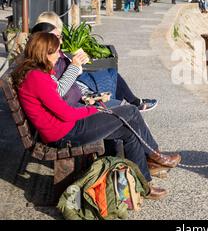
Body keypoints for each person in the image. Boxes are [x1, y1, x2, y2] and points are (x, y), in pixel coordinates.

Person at [11, 33, 181, 200]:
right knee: (131, 111)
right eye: (55, 51)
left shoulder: (35, 72)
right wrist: (95, 109)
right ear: (44, 54)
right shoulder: (37, 77)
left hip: (65, 126)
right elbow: (65, 112)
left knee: (128, 131)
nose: (59, 53)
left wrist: (92, 106)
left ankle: (145, 182)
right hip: (65, 132)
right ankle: (154, 156)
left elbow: (60, 105)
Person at [34, 11, 158, 112]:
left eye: (60, 36)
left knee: (111, 73)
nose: (60, 41)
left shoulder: (50, 53)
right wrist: (75, 66)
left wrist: (78, 61)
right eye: (56, 37)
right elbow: (58, 91)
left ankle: (132, 103)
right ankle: (133, 104)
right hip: (77, 92)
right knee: (110, 76)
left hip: (77, 87)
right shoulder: (45, 60)